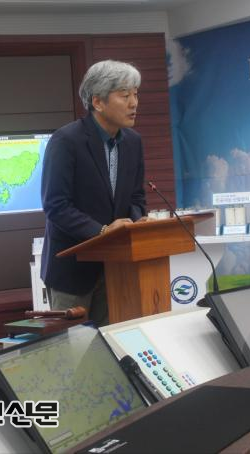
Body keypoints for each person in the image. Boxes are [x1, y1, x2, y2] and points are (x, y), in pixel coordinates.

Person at [40, 60, 148, 326]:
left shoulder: (133, 142)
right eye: (125, 95)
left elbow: (136, 197)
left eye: (136, 94)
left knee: (112, 343)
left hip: (117, 268)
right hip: (73, 269)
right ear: (98, 102)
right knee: (73, 347)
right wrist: (102, 231)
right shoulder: (66, 141)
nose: (134, 103)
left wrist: (136, 222)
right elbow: (56, 205)